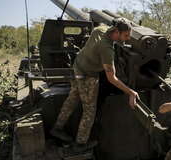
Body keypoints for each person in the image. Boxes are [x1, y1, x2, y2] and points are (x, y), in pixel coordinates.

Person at [50, 18, 139, 152]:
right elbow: (112, 78)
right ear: (117, 32)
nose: (127, 39)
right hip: (87, 76)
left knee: (72, 99)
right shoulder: (107, 49)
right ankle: (80, 144)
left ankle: (57, 128)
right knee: (90, 111)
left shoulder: (99, 29)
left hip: (78, 67)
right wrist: (131, 92)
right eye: (125, 35)